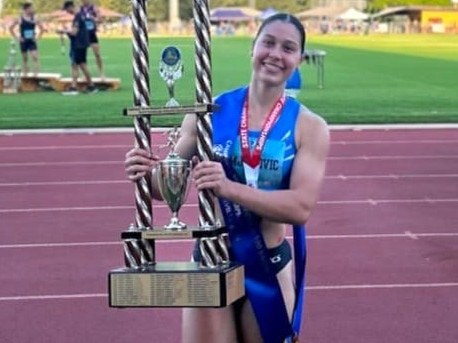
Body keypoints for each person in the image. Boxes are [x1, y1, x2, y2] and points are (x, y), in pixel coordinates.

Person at [125, 13, 329, 343]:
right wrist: (145, 175)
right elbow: (168, 187)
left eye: (288, 48)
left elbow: (300, 208)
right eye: (268, 43)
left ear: (299, 59)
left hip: (268, 266)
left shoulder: (310, 126)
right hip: (209, 261)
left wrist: (228, 189)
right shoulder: (210, 111)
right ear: (253, 47)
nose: (276, 54)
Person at [59, 1, 97, 95]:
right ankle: (83, 85)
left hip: (78, 44)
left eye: (67, 9)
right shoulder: (81, 16)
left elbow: (74, 32)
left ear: (71, 7)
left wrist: (63, 31)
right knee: (79, 65)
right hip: (82, 44)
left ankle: (81, 86)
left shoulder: (77, 17)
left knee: (78, 65)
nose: (67, 12)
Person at [9, 2, 45, 77]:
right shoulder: (20, 18)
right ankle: (26, 74)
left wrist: (38, 37)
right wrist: (17, 38)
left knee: (35, 57)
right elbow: (10, 28)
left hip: (31, 41)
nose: (32, 9)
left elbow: (42, 28)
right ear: (26, 9)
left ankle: (36, 74)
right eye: (31, 8)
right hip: (24, 40)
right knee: (25, 58)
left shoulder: (35, 18)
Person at [80, 0, 105, 79]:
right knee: (83, 56)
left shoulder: (94, 9)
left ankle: (101, 73)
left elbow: (100, 20)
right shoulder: (80, 9)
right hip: (83, 35)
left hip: (92, 34)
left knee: (97, 54)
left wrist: (94, 19)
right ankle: (85, 74)